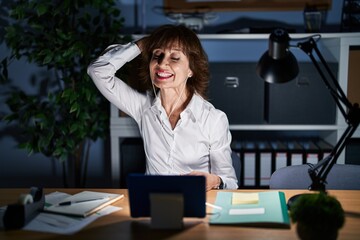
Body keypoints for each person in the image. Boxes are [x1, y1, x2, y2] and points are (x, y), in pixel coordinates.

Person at [87, 24, 238, 190]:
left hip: (197, 203)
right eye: (157, 54)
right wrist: (141, 45)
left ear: (191, 70)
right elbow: (97, 71)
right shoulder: (143, 108)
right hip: (153, 203)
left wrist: (215, 181)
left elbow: (230, 183)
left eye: (174, 58)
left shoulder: (213, 119)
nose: (162, 63)